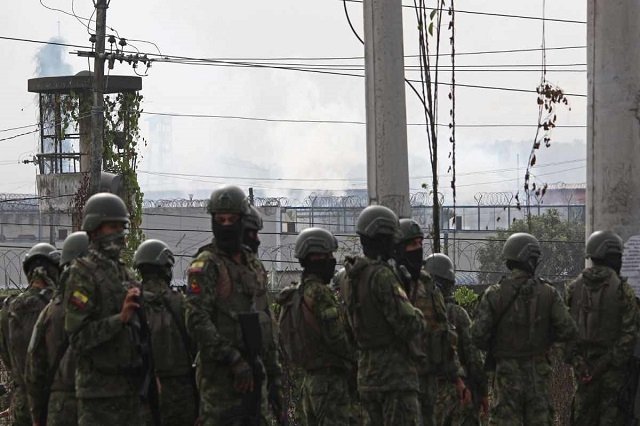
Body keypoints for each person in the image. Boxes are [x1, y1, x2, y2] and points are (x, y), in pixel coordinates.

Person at [184, 185, 282, 425]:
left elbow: (265, 321)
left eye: (232, 219)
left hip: (256, 373)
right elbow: (196, 320)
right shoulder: (206, 265)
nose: (226, 225)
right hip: (221, 382)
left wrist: (274, 376)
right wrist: (233, 359)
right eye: (220, 220)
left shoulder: (253, 265)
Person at [471, 232, 577, 425]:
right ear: (530, 260)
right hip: (538, 376)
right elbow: (568, 329)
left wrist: (497, 345)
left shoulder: (494, 294)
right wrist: (546, 339)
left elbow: (477, 336)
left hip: (506, 377)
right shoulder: (549, 293)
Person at [64, 193, 146, 425]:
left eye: (121, 227)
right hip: (98, 397)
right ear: (94, 230)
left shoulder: (124, 273)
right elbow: (78, 338)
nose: (118, 234)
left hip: (130, 390)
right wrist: (120, 319)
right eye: (112, 227)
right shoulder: (82, 274)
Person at [342, 205, 425, 425]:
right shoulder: (382, 276)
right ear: (383, 238)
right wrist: (418, 315)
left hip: (367, 375)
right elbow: (408, 323)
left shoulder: (351, 277)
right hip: (394, 377)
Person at [393, 219, 468, 426]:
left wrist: (456, 378)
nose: (418, 249)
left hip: (428, 382)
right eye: (412, 244)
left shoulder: (427, 285)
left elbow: (443, 333)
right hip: (397, 383)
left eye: (420, 243)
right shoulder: (388, 283)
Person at [277, 227, 353, 424]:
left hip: (310, 380)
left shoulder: (296, 293)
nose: (332, 260)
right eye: (329, 255)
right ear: (317, 258)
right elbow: (336, 338)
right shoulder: (319, 293)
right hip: (329, 382)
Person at [566, 230, 639, 425]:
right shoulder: (623, 290)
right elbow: (629, 335)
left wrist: (580, 365)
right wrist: (605, 364)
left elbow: (565, 333)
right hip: (613, 377)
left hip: (583, 375)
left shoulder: (573, 288)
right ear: (612, 256)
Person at [26, 231, 88, 426]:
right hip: (103, 405)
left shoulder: (51, 311)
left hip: (60, 408)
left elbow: (35, 367)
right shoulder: (112, 307)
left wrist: (37, 415)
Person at [133, 238, 198, 426]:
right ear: (166, 269)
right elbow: (198, 345)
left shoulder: (131, 304)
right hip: (181, 394)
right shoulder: (180, 304)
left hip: (142, 391)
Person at [425, 253, 488, 426]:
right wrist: (483, 391)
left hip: (424, 392)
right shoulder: (456, 313)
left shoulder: (416, 311)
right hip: (457, 392)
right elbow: (473, 357)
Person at [2, 242, 59, 426]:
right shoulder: (58, 307)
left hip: (23, 401)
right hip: (53, 401)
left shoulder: (8, 310)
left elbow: (6, 355)